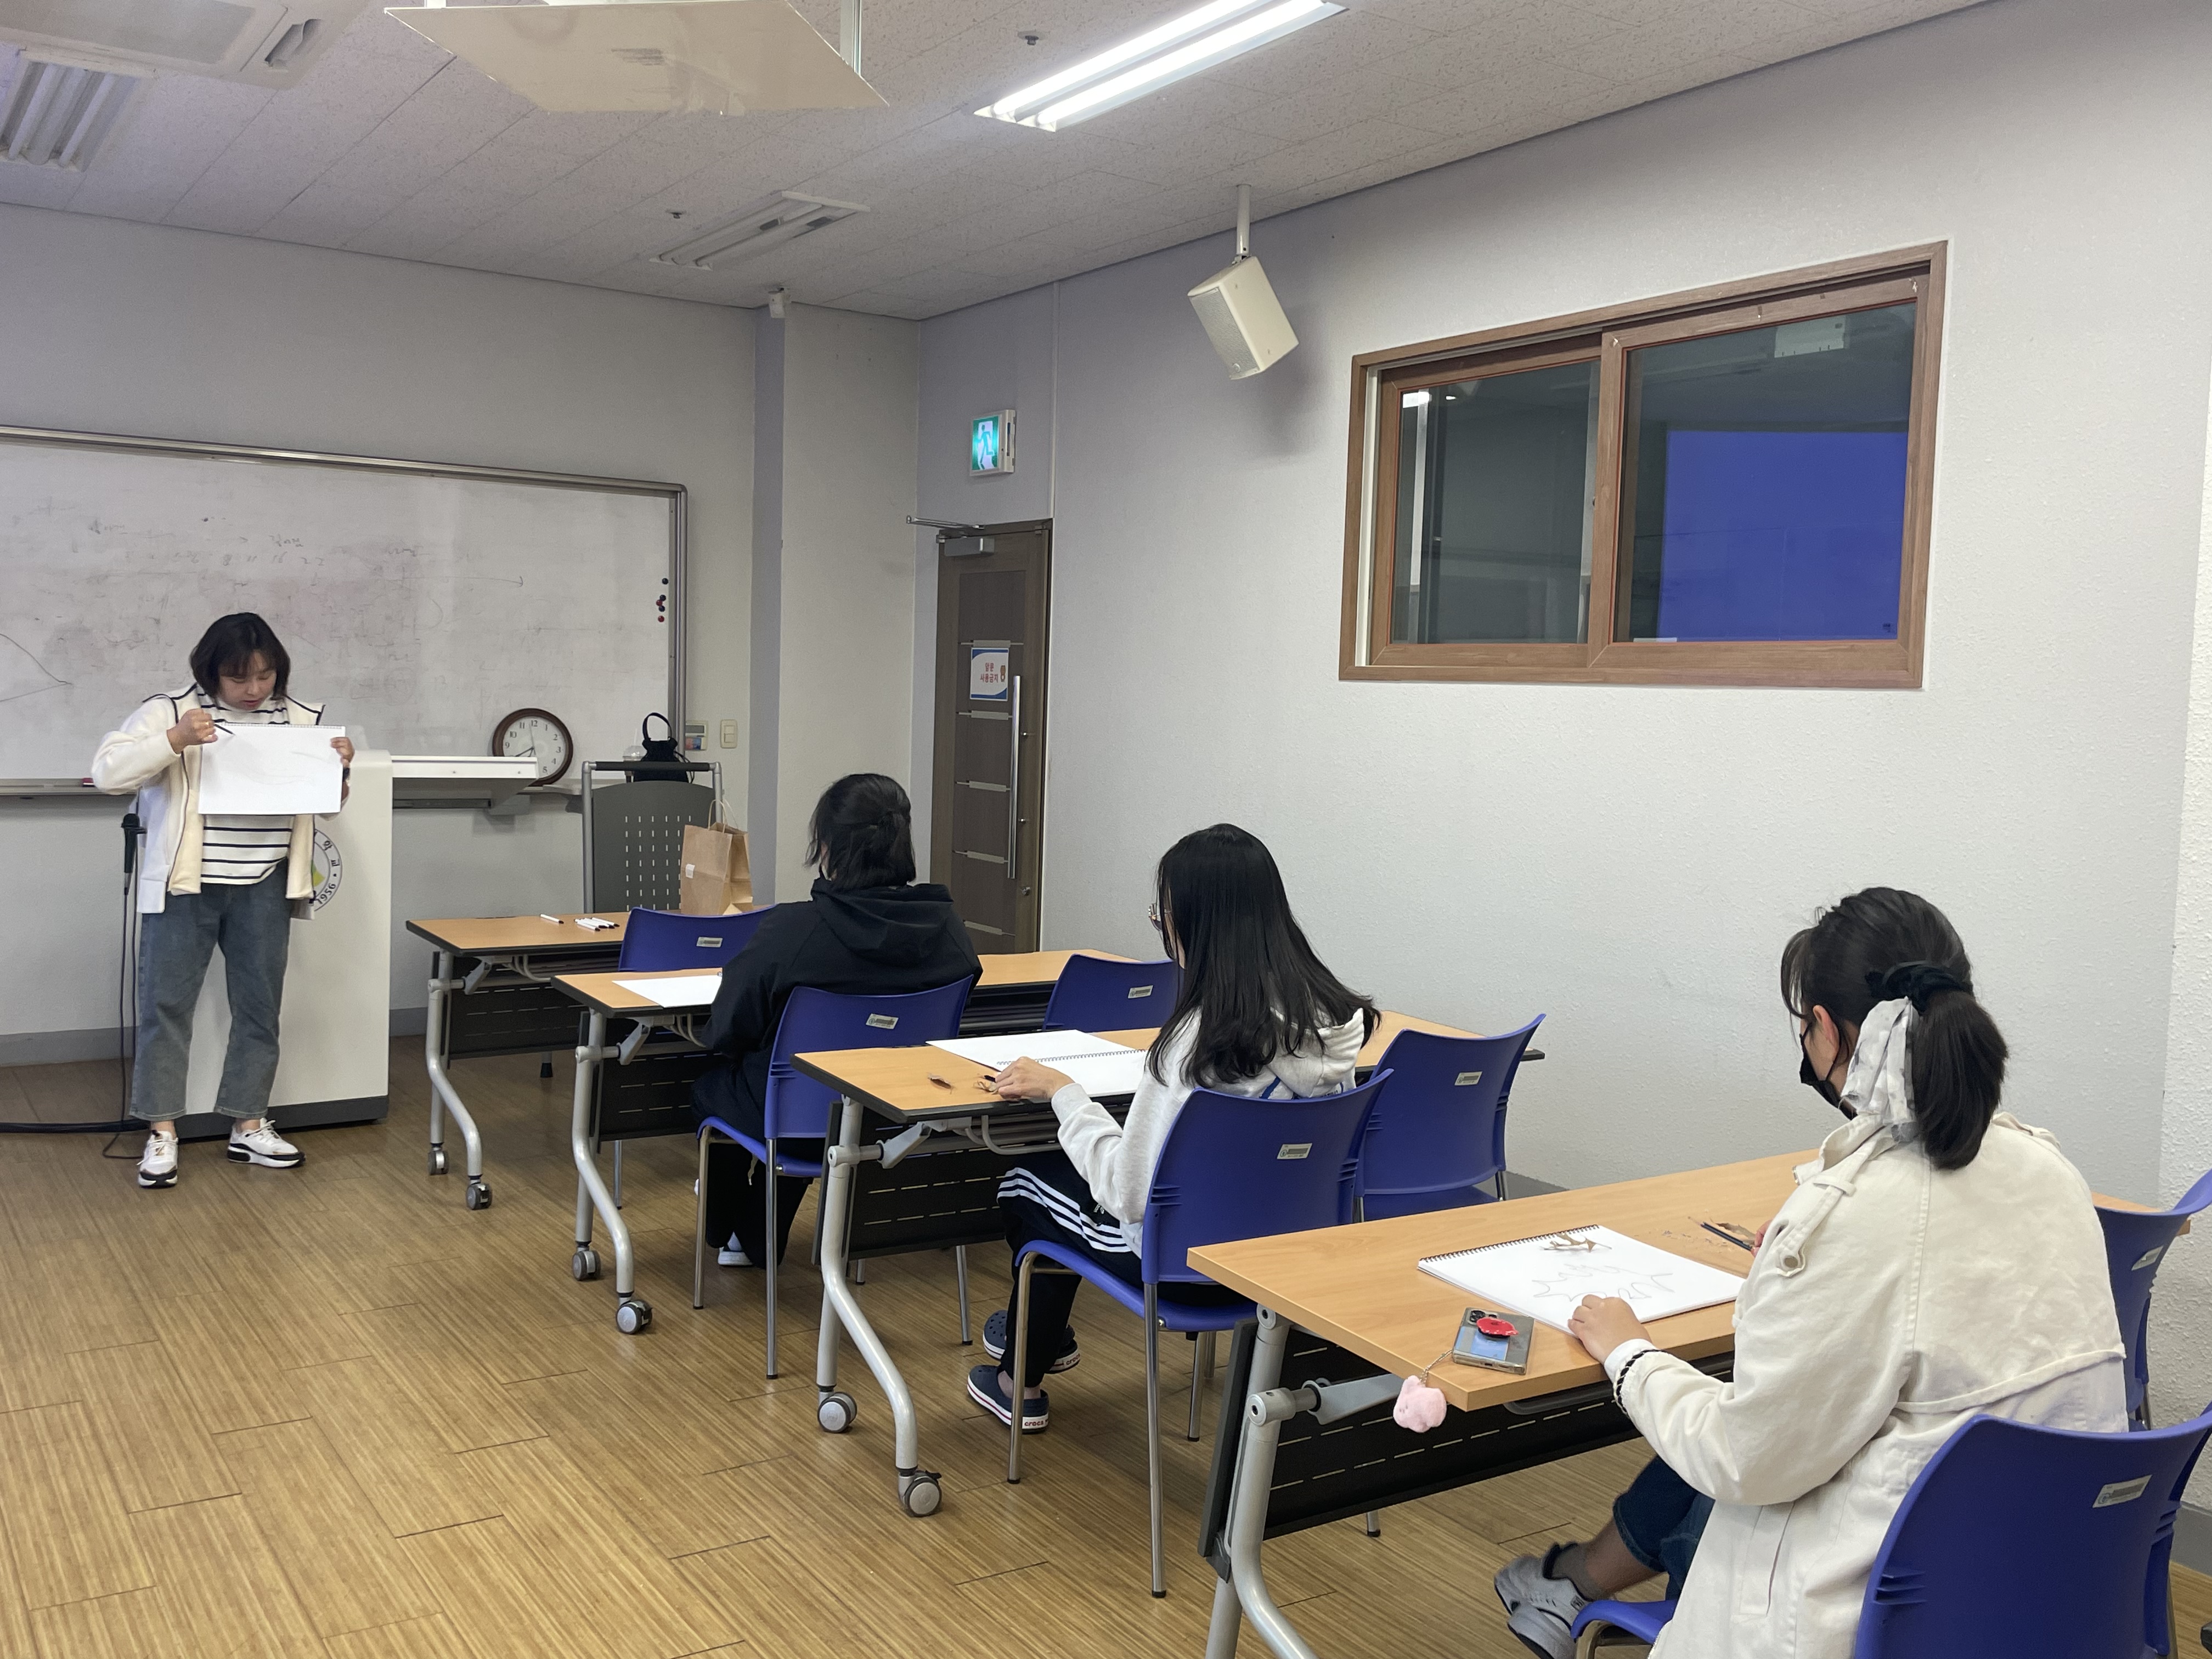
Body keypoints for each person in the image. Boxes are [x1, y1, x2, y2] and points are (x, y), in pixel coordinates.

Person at [1492, 888, 2125, 1658]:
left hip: (1871, 1617)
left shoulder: (1858, 1211)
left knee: (1709, 1447)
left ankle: (1569, 1584)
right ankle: (1572, 1581)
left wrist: (1628, 1353)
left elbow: (1743, 1457)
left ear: (1826, 1029)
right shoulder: (2053, 1171)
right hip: (2036, 1599)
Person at [964, 823, 1378, 1432]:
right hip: (1283, 1261)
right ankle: (1041, 1340)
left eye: (1163, 915)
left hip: (1185, 1265)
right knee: (1061, 1183)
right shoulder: (1331, 1022)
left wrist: (1064, 1094)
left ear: (1192, 924)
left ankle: (1019, 1380)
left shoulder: (1193, 1043)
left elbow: (1127, 1194)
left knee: (1027, 1183)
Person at [92, 613, 353, 1188]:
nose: (254, 689)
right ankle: (162, 1130)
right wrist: (175, 740)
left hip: (265, 881)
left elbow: (327, 805)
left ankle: (248, 1123)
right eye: (239, 678)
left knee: (260, 1007)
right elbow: (108, 773)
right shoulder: (170, 709)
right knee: (166, 1007)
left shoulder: (301, 718)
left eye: (265, 675)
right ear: (210, 672)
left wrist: (340, 770)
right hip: (186, 884)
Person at [693, 773, 979, 1267]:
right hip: (895, 1116)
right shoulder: (947, 928)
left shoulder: (793, 929)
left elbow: (728, 1027)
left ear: (826, 847)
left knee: (720, 1087)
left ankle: (721, 1225)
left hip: (796, 1117)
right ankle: (757, 1231)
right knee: (819, 1098)